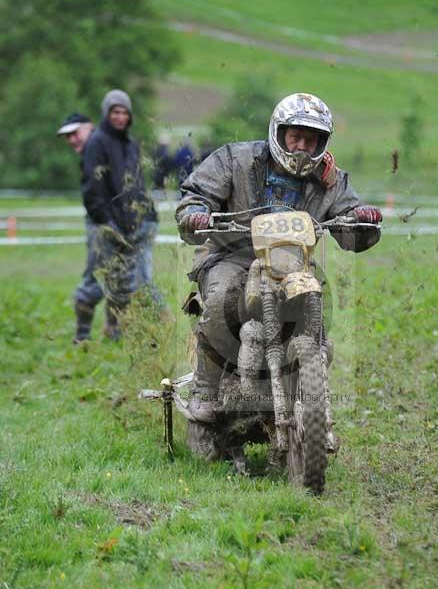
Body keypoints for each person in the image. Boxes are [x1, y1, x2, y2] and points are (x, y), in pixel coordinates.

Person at [175, 92, 382, 422]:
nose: (301, 147)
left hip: (292, 261)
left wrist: (363, 219)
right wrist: (198, 213)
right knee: (221, 299)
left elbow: (349, 221)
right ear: (279, 133)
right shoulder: (235, 159)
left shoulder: (328, 178)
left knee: (314, 308)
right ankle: (204, 388)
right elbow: (196, 195)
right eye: (295, 137)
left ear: (321, 143)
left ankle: (307, 389)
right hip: (231, 254)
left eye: (310, 140)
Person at [82, 89, 160, 339]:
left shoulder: (130, 144)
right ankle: (82, 335)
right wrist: (106, 221)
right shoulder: (96, 142)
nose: (120, 117)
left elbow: (136, 184)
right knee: (102, 280)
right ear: (107, 113)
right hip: (109, 225)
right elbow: (93, 187)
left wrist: (149, 213)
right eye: (115, 112)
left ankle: (115, 330)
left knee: (126, 283)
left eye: (124, 112)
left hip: (133, 225)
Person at [56, 112, 106, 343]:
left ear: (89, 128)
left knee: (102, 279)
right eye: (67, 137)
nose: (71, 140)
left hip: (110, 225)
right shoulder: (92, 152)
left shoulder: (101, 148)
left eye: (74, 133)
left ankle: (85, 337)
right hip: (102, 224)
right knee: (103, 277)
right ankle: (85, 337)